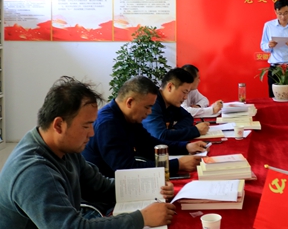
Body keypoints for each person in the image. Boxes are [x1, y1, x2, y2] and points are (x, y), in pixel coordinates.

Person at [0, 76, 175, 228]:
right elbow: (73, 227)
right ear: (58, 125)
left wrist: (152, 188)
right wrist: (141, 218)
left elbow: (101, 186)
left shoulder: (66, 148)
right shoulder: (34, 171)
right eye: (86, 126)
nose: (92, 133)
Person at [83, 75, 206, 178]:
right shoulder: (108, 124)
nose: (150, 112)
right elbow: (126, 170)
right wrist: (177, 165)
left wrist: (185, 147)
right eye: (147, 107)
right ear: (130, 102)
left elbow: (149, 144)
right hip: (106, 191)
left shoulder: (128, 117)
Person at [142, 68, 210, 141]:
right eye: (184, 92)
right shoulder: (152, 102)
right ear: (170, 87)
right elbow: (161, 136)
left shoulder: (171, 103)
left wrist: (174, 130)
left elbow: (188, 117)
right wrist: (195, 131)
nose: (185, 97)